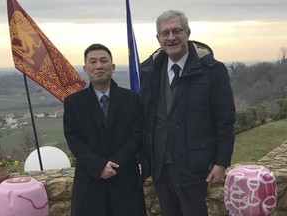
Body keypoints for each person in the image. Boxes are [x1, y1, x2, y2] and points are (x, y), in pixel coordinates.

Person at [140, 10, 236, 216]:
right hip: (160, 167)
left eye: (177, 31)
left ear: (188, 32)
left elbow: (225, 120)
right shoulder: (150, 72)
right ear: (158, 38)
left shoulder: (212, 71)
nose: (171, 37)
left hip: (195, 166)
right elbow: (145, 118)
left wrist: (221, 162)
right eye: (165, 33)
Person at [63, 43, 146, 216]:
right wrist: (99, 166)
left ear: (113, 67)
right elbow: (74, 139)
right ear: (85, 68)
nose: (99, 66)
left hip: (125, 179)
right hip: (90, 180)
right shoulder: (73, 103)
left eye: (103, 61)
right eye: (93, 62)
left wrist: (114, 164)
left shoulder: (132, 99)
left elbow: (137, 135)